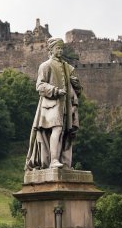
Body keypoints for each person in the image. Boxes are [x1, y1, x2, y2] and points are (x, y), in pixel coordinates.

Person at [25, 37, 81, 170]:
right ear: (51, 49)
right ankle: (53, 160)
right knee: (57, 129)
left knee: (64, 132)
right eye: (58, 48)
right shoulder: (45, 65)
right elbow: (40, 85)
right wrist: (55, 90)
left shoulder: (67, 67)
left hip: (65, 105)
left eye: (62, 48)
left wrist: (76, 85)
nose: (60, 51)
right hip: (50, 105)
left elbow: (74, 88)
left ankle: (63, 162)